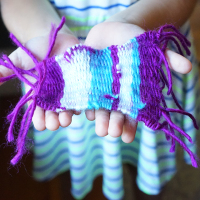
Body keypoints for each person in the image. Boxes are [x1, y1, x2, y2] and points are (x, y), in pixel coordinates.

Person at [0, 0, 199, 199]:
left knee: (148, 166)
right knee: (76, 166)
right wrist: (44, 31)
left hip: (142, 64)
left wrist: (129, 20)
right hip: (50, 57)